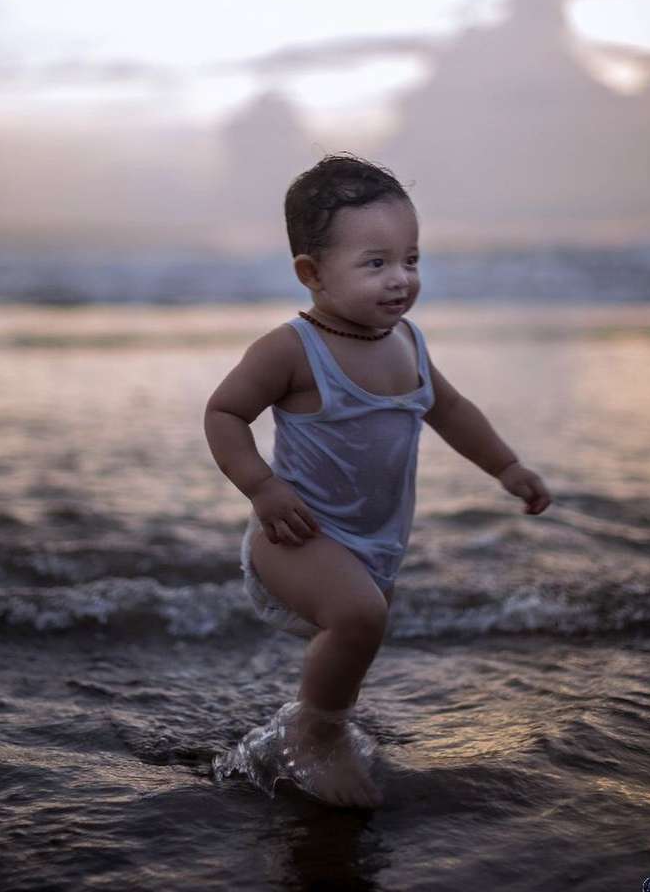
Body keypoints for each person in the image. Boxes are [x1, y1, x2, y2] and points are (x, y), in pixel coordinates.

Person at [204, 154, 551, 808]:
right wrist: (261, 488)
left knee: (360, 635)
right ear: (312, 274)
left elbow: (450, 410)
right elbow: (223, 413)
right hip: (294, 534)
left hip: (375, 543)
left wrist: (506, 466)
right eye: (376, 263)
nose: (401, 280)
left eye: (411, 260)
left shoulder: (408, 342)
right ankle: (313, 737)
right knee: (360, 619)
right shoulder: (291, 349)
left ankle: (311, 726)